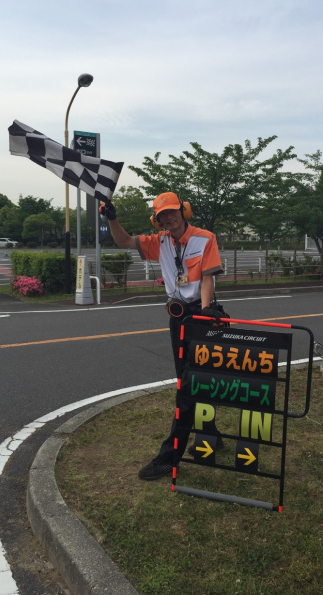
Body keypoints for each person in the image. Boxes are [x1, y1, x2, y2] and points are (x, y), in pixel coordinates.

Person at [100, 191, 227, 480]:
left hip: (202, 315)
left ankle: (169, 457)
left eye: (172, 211)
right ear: (157, 221)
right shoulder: (159, 243)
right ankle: (211, 435)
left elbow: (208, 277)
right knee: (193, 381)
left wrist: (205, 311)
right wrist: (112, 218)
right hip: (178, 317)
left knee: (187, 390)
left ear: (184, 211)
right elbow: (123, 240)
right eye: (161, 215)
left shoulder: (205, 238)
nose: (168, 217)